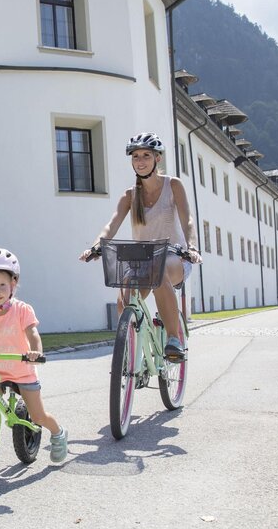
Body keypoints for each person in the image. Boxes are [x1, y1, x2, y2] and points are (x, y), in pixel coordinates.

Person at [79, 132, 202, 360]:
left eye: (146, 155)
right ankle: (133, 351)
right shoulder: (130, 195)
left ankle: (173, 339)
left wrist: (192, 247)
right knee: (124, 297)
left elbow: (188, 220)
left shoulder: (173, 185)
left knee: (159, 271)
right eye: (136, 156)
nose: (140, 161)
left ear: (157, 158)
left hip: (174, 257)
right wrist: (96, 247)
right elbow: (111, 224)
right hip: (143, 260)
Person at [0, 248, 68, 463]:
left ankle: (58, 432)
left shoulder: (22, 310)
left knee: (38, 416)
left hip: (23, 371)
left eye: (2, 285)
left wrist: (36, 351)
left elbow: (33, 334)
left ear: (13, 283)